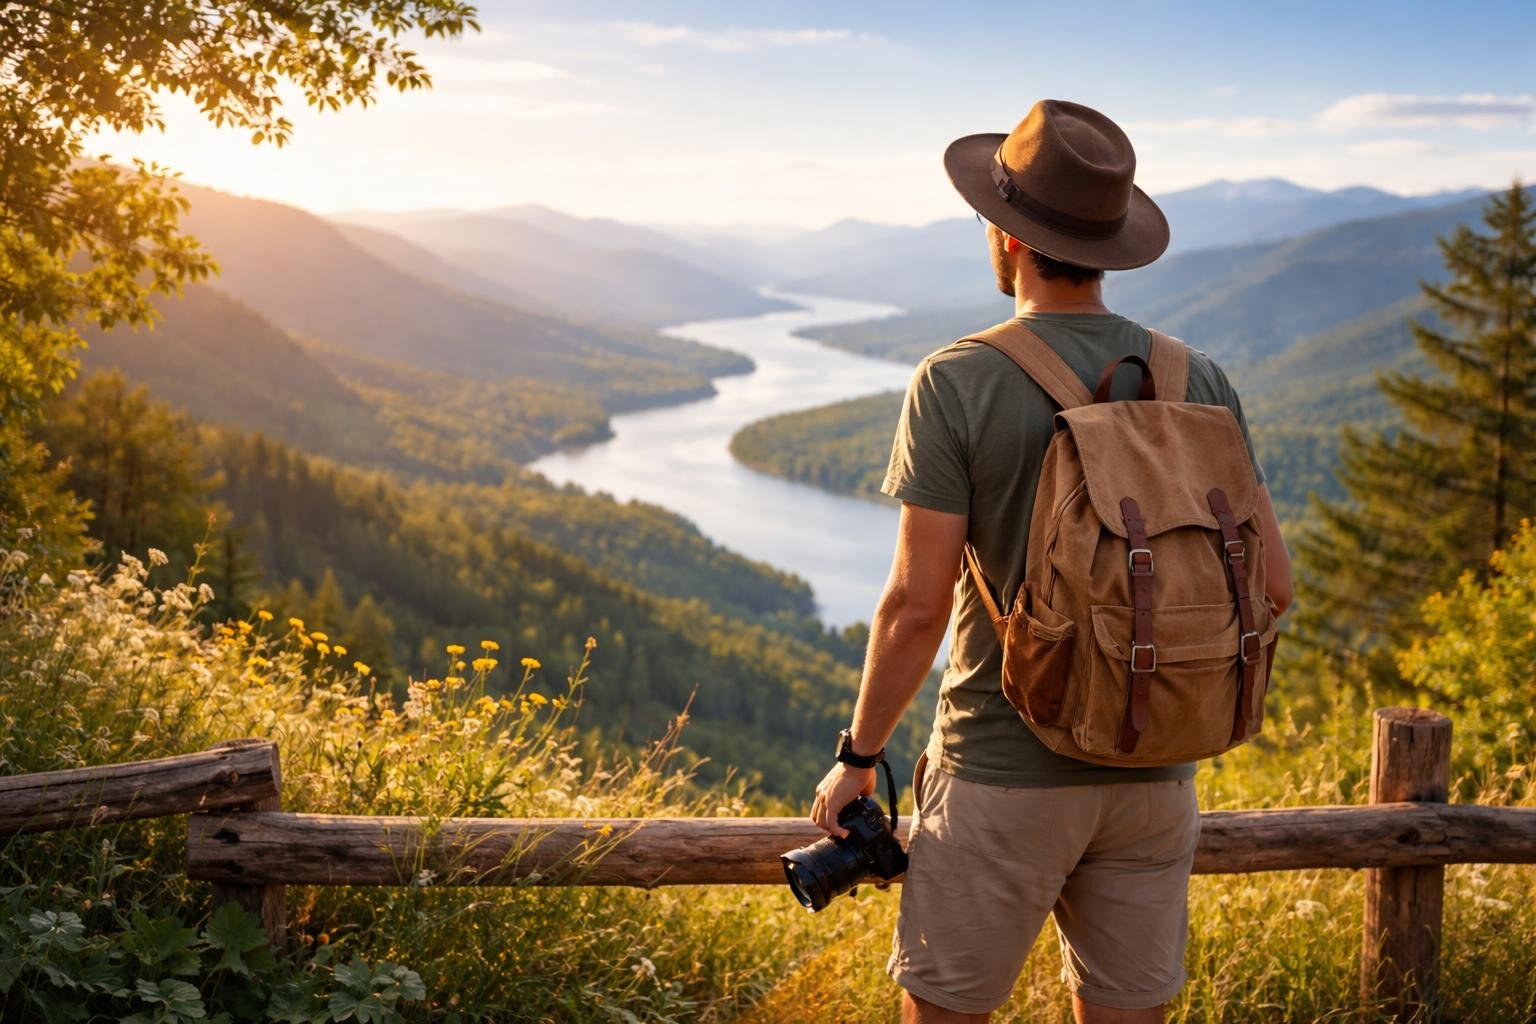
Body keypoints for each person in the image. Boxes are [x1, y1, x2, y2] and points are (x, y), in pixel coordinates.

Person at [808, 99, 1295, 1024]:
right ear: (1112, 242)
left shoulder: (958, 378)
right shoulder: (1199, 380)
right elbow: (1273, 585)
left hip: (1002, 770)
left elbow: (915, 606)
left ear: (1005, 236)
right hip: (1156, 776)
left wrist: (858, 758)